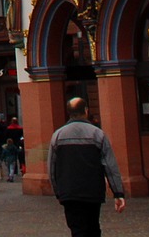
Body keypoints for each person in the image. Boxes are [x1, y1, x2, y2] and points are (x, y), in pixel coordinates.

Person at [50, 97, 128, 237]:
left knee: (77, 229)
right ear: (86, 111)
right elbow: (110, 165)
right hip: (92, 191)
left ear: (69, 112)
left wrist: (58, 192)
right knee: (93, 227)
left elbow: (52, 168)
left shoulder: (58, 136)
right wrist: (118, 193)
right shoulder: (97, 134)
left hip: (69, 192)